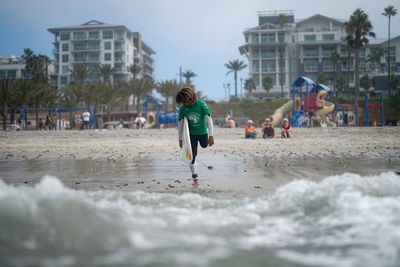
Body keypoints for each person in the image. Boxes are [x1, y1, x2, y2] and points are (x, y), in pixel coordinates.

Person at [176, 87, 214, 186]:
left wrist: (211, 136)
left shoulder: (201, 104)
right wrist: (180, 139)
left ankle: (196, 154)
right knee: (191, 157)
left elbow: (208, 119)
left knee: (205, 145)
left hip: (202, 132)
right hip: (191, 135)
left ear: (190, 97)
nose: (184, 104)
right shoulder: (183, 109)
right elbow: (180, 125)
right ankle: (195, 179)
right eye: (182, 102)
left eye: (185, 101)